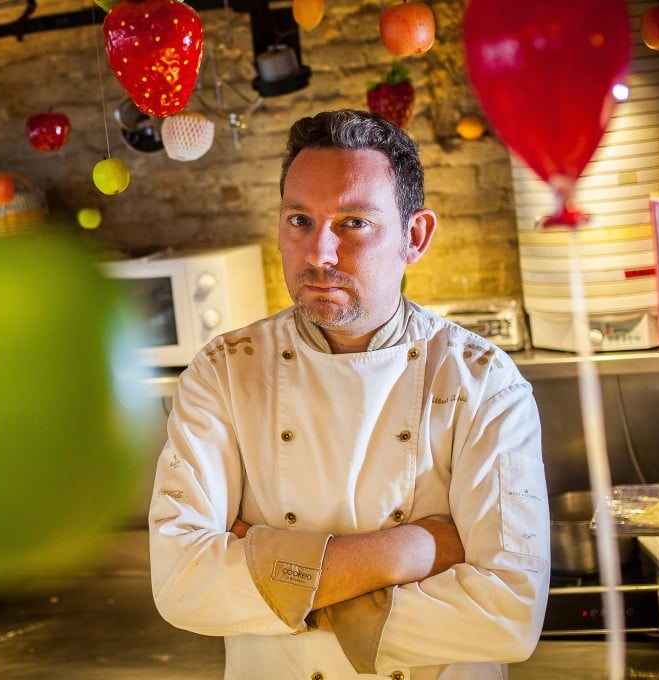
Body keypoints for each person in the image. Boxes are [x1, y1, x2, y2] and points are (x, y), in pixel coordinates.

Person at [148, 109, 550, 679]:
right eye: (299, 221)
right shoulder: (223, 374)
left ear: (415, 236)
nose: (319, 254)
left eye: (354, 223)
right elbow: (182, 584)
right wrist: (408, 552)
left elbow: (509, 615)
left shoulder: (483, 382)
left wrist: (270, 573)